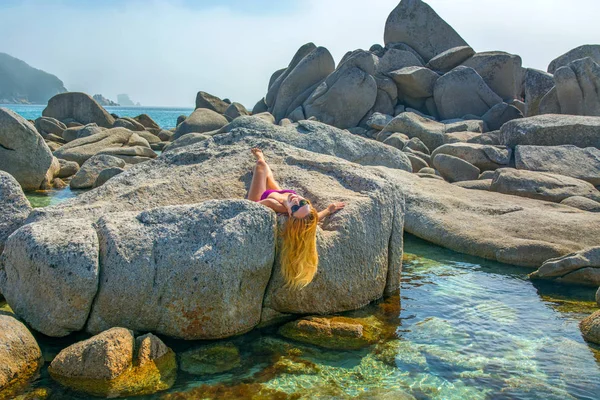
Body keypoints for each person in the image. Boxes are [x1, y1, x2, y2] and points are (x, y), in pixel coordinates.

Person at [248, 148, 345, 289]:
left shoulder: (277, 206)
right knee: (270, 177)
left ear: (290, 215)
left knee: (261, 165)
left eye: (295, 208)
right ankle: (263, 170)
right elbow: (313, 219)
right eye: (303, 202)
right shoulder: (299, 208)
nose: (297, 201)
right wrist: (328, 210)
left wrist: (284, 204)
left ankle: (260, 157)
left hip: (263, 197)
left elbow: (253, 207)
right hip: (281, 193)